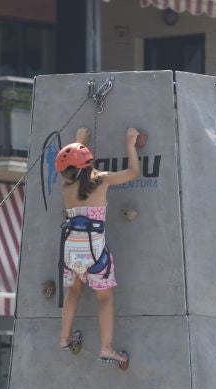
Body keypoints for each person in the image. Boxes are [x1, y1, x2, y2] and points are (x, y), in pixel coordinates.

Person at [57, 125, 140, 367]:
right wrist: (130, 145)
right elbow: (134, 172)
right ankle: (106, 348)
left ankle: (64, 337)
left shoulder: (65, 188)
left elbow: (78, 171)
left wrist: (79, 140)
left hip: (71, 252)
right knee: (104, 298)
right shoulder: (102, 180)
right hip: (94, 253)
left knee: (74, 291)